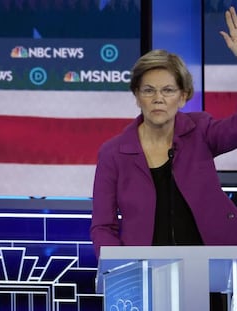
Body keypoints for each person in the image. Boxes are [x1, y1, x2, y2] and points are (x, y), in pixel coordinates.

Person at [90, 6, 237, 310]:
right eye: (149, 90)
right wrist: (120, 272)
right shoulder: (113, 153)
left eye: (168, 90)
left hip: (211, 272)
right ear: (136, 95)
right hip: (141, 277)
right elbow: (102, 226)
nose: (158, 98)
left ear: (184, 96)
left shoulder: (201, 130)